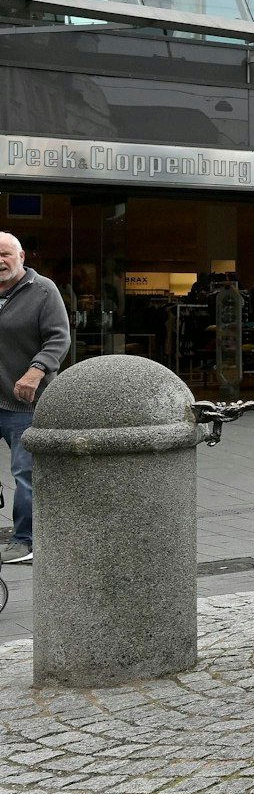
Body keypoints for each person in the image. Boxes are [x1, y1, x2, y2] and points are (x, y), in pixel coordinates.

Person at [0, 231, 70, 566]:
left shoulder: (43, 290)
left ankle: (25, 539)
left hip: (24, 402)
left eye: (5, 254)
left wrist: (36, 370)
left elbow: (58, 338)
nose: (0, 261)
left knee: (25, 473)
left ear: (22, 257)